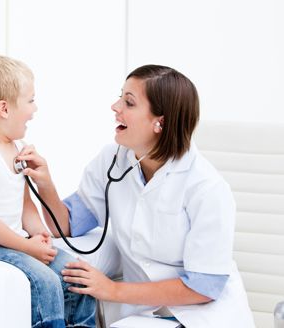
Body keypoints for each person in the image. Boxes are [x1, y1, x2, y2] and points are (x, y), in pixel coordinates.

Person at [16, 65, 254, 327]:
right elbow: (68, 225)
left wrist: (111, 290)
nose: (115, 106)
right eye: (121, 97)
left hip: (202, 315)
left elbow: (204, 287)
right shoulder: (113, 159)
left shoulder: (205, 187)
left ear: (159, 122)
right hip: (145, 311)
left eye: (129, 102)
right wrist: (46, 184)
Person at [0, 55, 95, 328]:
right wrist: (27, 247)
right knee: (45, 281)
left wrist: (39, 232)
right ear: (4, 108)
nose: (35, 108)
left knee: (79, 276)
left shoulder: (17, 147)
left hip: (9, 240)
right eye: (30, 100)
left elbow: (25, 202)